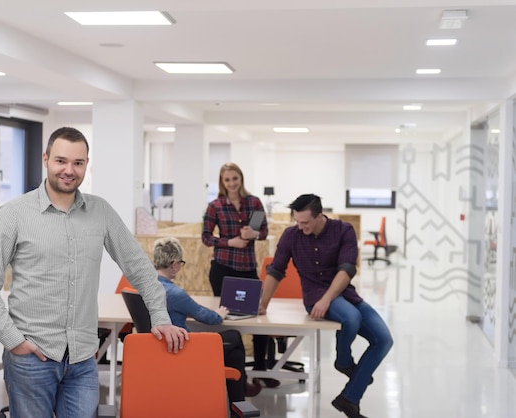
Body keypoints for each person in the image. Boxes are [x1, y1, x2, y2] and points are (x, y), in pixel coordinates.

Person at [0, 127, 188, 418]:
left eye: (78, 163)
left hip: (83, 358)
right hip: (31, 357)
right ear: (46, 159)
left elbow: (139, 267)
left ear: (87, 164)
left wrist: (160, 316)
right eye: (61, 161)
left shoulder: (101, 212)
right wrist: (13, 340)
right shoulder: (14, 214)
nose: (69, 170)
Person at [258, 194, 393, 418]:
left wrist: (327, 299)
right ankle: (345, 363)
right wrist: (263, 303)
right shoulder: (292, 235)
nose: (300, 227)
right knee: (351, 318)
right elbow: (276, 270)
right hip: (314, 297)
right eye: (297, 222)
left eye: (305, 223)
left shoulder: (343, 230)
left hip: (342, 294)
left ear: (320, 216)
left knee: (384, 339)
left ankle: (348, 397)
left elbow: (348, 268)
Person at [153, 237, 262, 401]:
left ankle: (239, 396)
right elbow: (209, 318)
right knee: (235, 337)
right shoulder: (175, 294)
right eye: (181, 264)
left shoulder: (146, 288)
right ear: (174, 265)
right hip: (183, 347)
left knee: (235, 355)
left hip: (156, 347)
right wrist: (220, 313)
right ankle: (238, 402)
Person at [201, 162, 278, 388]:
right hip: (222, 269)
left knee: (258, 319)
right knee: (226, 320)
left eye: (235, 178)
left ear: (241, 178)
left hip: (247, 268)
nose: (232, 183)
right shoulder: (215, 206)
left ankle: (261, 369)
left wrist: (254, 233)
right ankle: (233, 374)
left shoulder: (253, 202)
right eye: (227, 180)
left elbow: (264, 232)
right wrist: (229, 241)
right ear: (222, 182)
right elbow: (206, 237)